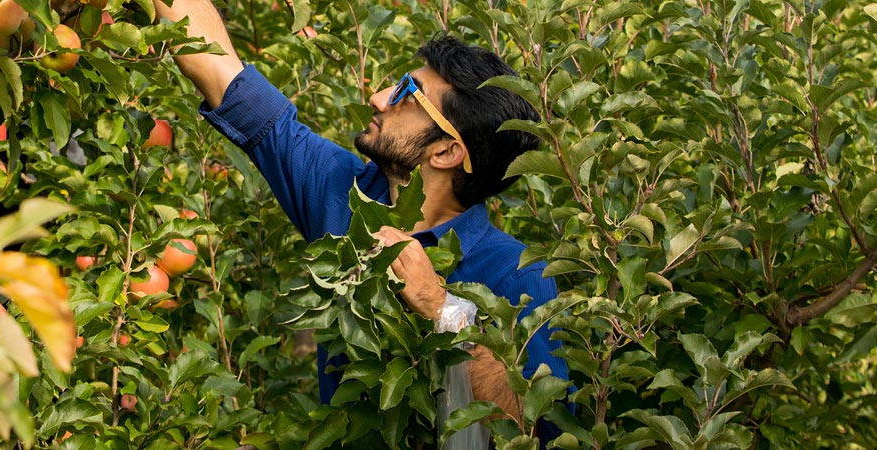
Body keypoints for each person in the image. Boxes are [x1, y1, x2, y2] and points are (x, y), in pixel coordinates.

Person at [152, 0, 570, 439]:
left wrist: (442, 309)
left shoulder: (518, 274)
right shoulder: (345, 193)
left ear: (446, 151)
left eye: (407, 94)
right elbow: (224, 76)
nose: (377, 98)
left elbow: (536, 426)